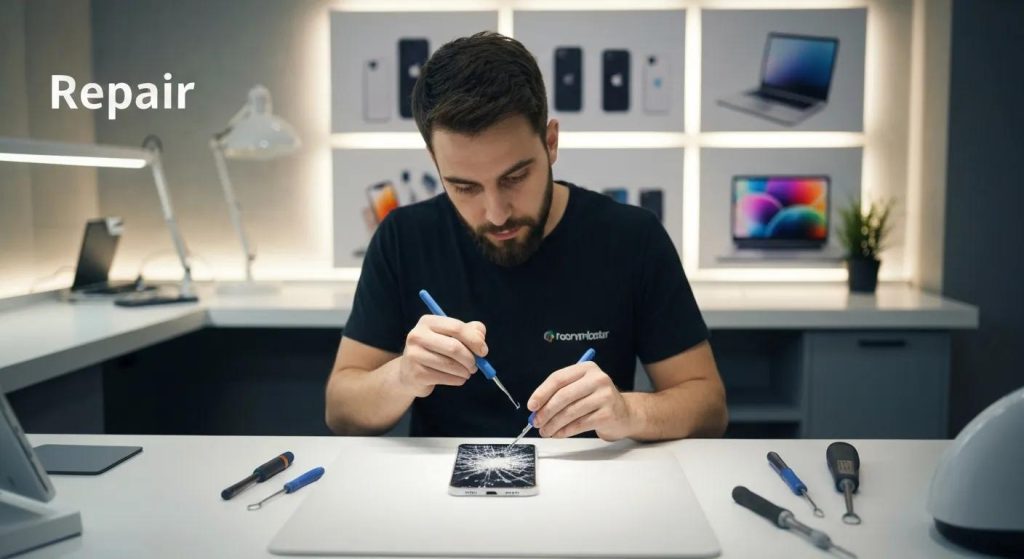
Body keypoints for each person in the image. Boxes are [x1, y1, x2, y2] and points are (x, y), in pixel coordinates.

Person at [325, 31, 727, 441]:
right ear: (435, 161)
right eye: (464, 187)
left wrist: (629, 411)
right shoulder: (403, 238)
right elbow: (341, 410)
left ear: (550, 142)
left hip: (595, 487)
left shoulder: (632, 237)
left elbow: (709, 406)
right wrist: (402, 377)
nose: (496, 213)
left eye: (515, 177)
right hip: (442, 494)